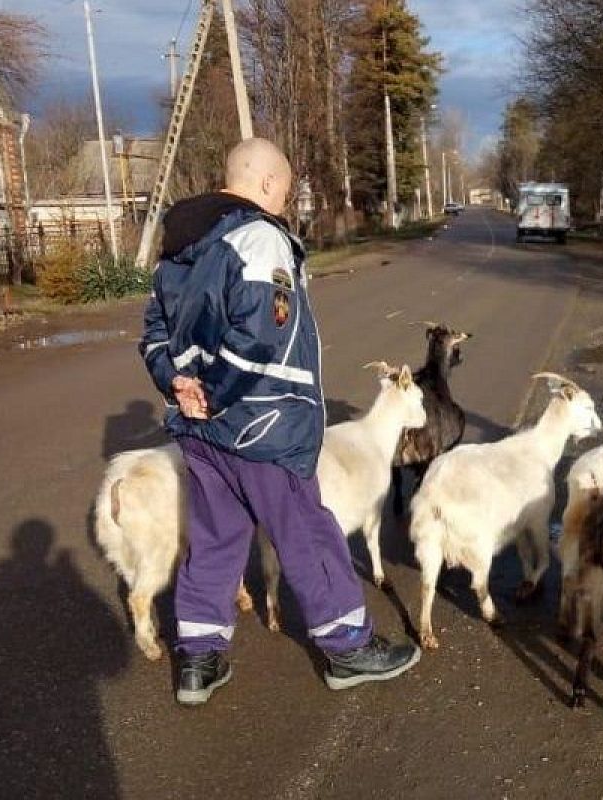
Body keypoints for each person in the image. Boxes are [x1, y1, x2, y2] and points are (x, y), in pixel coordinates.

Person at [140, 138, 419, 706]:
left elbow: (153, 335)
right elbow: (263, 336)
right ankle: (347, 648)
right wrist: (215, 393)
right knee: (307, 532)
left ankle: (198, 661)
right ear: (267, 182)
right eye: (286, 188)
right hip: (263, 424)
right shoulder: (260, 238)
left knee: (216, 539)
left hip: (201, 431)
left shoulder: (177, 250)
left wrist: (177, 383)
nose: (286, 198)